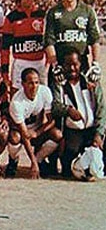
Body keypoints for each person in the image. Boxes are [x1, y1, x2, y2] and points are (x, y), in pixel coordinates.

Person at [50, 47, 105, 180]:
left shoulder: (90, 82)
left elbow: (101, 109)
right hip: (73, 132)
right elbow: (55, 106)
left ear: (80, 64)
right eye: (68, 65)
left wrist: (99, 134)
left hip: (92, 130)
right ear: (62, 66)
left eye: (75, 64)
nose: (72, 68)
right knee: (70, 164)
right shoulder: (59, 84)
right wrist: (68, 110)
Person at [7, 67, 62, 179]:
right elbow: (24, 134)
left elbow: (51, 121)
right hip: (21, 132)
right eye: (30, 83)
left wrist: (37, 132)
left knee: (57, 135)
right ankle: (13, 159)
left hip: (36, 130)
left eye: (37, 82)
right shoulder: (17, 102)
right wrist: (32, 162)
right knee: (14, 138)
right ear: (23, 84)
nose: (34, 86)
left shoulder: (45, 92)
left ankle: (39, 159)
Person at [44, 0, 101, 76]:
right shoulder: (53, 12)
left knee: (93, 91)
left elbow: (95, 39)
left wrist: (95, 64)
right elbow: (49, 41)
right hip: (60, 63)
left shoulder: (87, 11)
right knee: (57, 91)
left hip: (81, 62)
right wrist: (55, 64)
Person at [0, 0, 46, 92]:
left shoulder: (43, 15)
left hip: (39, 63)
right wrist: (5, 73)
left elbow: (49, 43)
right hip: (20, 63)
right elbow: (5, 49)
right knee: (17, 98)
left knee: (41, 100)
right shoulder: (11, 18)